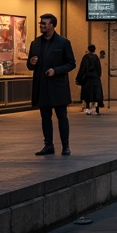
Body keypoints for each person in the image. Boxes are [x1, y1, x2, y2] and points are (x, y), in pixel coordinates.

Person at [26, 13, 76, 156]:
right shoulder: (35, 43)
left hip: (58, 87)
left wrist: (56, 70)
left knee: (62, 116)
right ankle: (48, 145)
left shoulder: (63, 43)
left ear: (52, 26)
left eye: (44, 24)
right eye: (40, 23)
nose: (41, 25)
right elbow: (30, 66)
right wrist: (31, 63)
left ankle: (65, 146)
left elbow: (71, 63)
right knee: (45, 117)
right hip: (42, 86)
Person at [76, 44, 104, 115]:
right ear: (94, 49)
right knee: (96, 95)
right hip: (95, 78)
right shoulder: (96, 58)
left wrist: (79, 78)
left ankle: (88, 110)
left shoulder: (86, 57)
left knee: (87, 95)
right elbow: (99, 69)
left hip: (87, 79)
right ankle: (97, 110)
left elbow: (82, 68)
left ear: (88, 49)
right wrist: (98, 76)